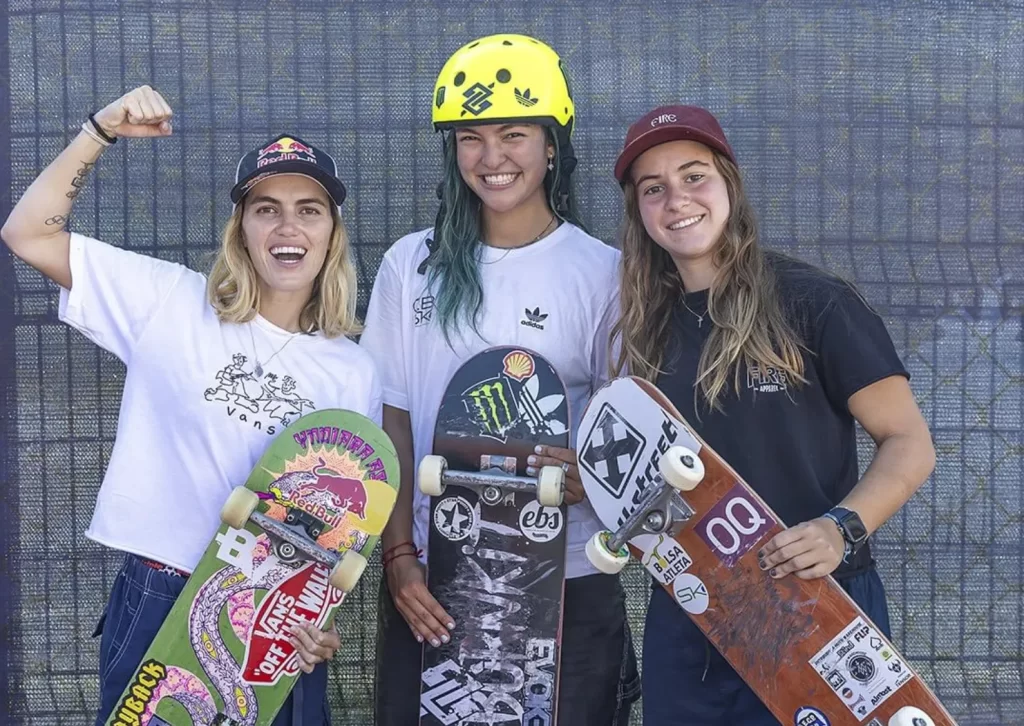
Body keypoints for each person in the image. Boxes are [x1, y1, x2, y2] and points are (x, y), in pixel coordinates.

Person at [1, 85, 381, 725]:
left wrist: (317, 621)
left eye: (309, 210)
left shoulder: (354, 370)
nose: (288, 227)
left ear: (332, 233)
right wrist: (101, 130)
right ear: (242, 228)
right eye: (267, 209)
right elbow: (27, 233)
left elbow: (339, 524)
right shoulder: (169, 302)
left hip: (273, 613)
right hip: (163, 591)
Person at [609, 103, 937, 724]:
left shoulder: (815, 302)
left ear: (729, 183)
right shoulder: (643, 329)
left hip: (820, 608)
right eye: (654, 189)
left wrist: (841, 528)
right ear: (639, 211)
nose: (677, 199)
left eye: (694, 175)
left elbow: (909, 441)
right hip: (693, 618)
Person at [360, 34, 640, 726]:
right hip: (433, 576)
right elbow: (390, 420)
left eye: (514, 134)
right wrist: (398, 556)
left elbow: (627, 435)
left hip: (567, 581)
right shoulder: (410, 265)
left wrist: (591, 479)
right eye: (471, 138)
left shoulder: (604, 273)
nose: (492, 158)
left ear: (552, 144)